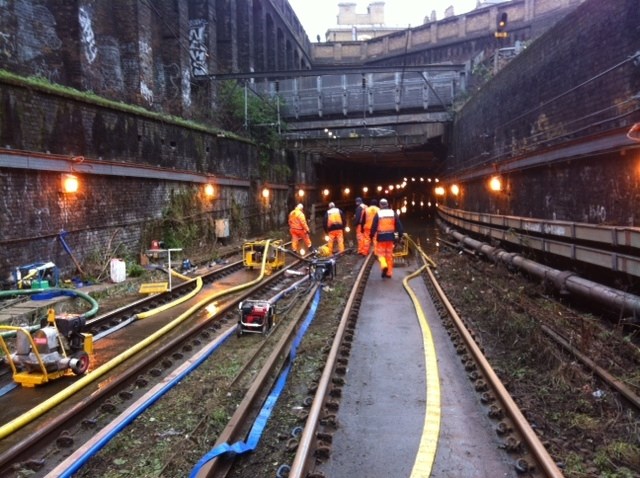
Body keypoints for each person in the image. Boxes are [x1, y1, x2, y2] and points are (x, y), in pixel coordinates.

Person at [370, 198, 403, 279]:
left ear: (380, 205)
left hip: (381, 237)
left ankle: (384, 266)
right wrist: (400, 234)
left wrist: (371, 235)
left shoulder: (378, 214)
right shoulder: (393, 213)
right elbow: (399, 224)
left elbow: (374, 226)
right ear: (387, 204)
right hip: (390, 237)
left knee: (380, 254)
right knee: (389, 256)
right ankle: (389, 273)